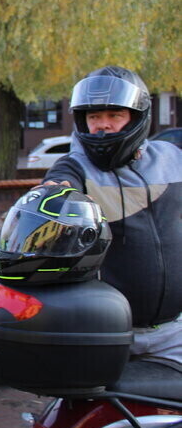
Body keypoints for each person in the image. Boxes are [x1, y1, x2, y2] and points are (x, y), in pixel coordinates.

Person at [42, 65, 181, 368]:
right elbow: (55, 191)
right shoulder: (74, 168)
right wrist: (52, 196)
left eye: (114, 115)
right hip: (106, 331)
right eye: (94, 117)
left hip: (176, 331)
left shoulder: (172, 159)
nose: (102, 125)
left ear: (137, 116)